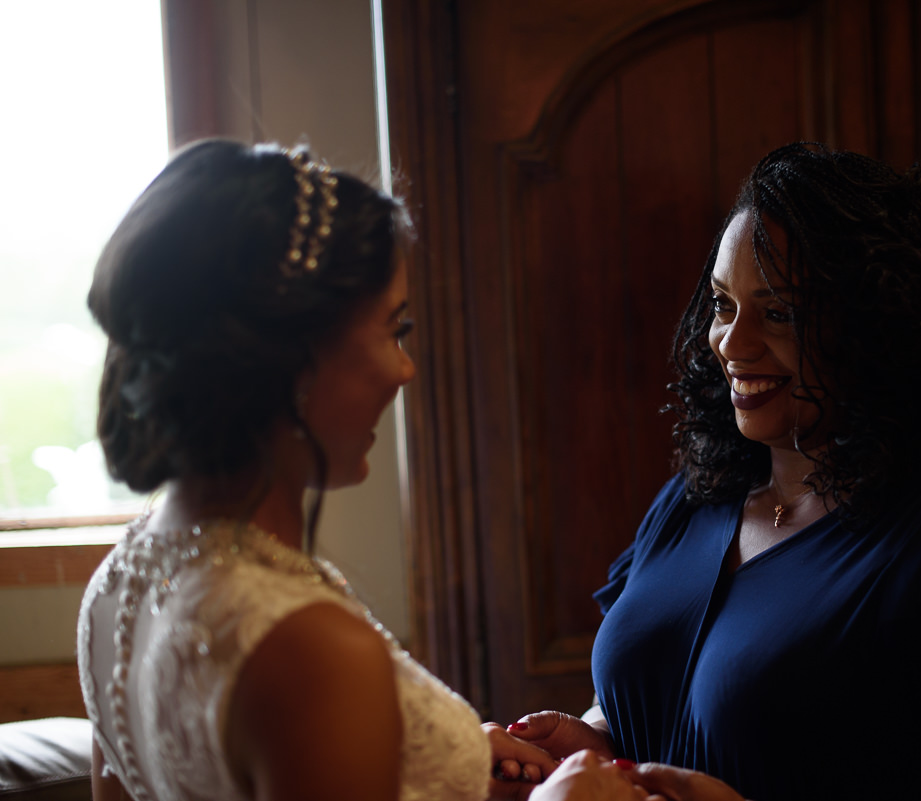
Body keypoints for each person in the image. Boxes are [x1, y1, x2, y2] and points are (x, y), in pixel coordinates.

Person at [493, 143, 921, 800]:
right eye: (722, 304)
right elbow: (670, 705)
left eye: (779, 313)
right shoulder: (696, 497)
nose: (732, 344)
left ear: (880, 324)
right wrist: (592, 743)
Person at [76, 139, 648, 801]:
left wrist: (434, 753)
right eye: (394, 330)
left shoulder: (121, 580)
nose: (406, 369)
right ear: (296, 359)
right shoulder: (307, 648)